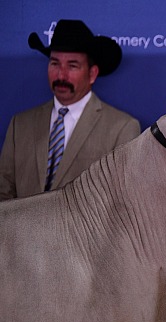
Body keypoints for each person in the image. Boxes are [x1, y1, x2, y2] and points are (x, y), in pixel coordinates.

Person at [0, 19, 140, 201]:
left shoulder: (121, 128)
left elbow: (121, 202)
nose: (61, 75)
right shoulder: (20, 124)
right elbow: (3, 191)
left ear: (92, 74)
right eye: (55, 64)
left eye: (72, 66)